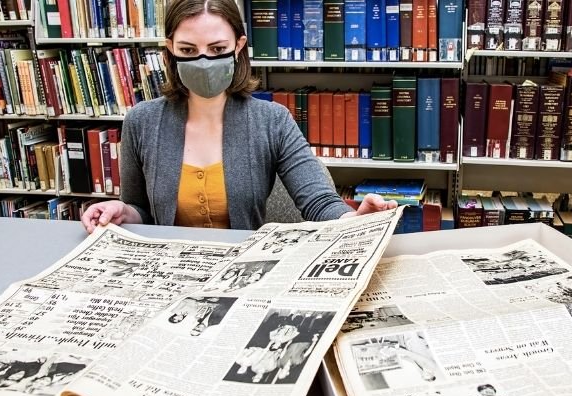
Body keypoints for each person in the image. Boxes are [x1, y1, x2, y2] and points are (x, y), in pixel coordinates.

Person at [80, 0, 396, 234]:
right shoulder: (141, 121)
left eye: (218, 50)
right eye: (188, 51)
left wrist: (353, 221)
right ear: (169, 50)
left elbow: (318, 201)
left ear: (238, 46)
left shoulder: (273, 121)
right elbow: (142, 212)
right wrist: (121, 211)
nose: (203, 61)